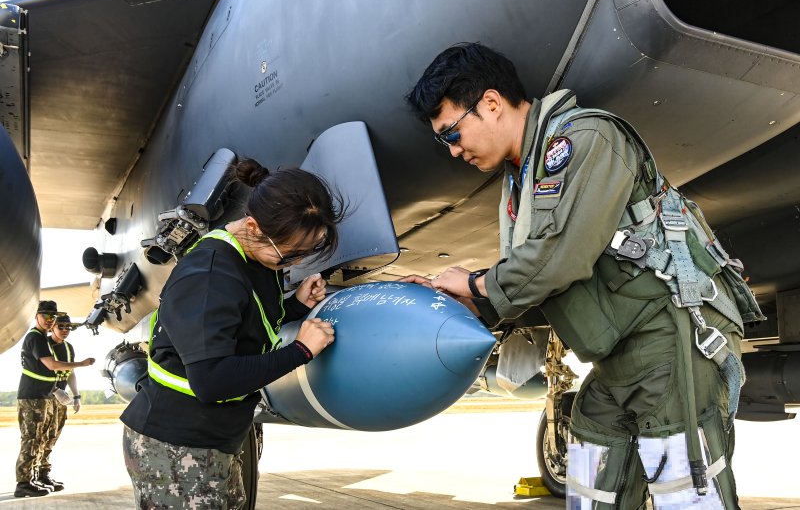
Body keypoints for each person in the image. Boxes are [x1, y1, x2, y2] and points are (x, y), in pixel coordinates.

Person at [404, 43, 763, 509]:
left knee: (685, 491)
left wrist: (475, 283)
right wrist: (443, 296)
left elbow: (560, 257)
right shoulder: (522, 179)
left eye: (451, 132)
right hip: (618, 357)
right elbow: (538, 274)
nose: (453, 150)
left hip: (669, 337)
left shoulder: (587, 139)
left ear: (490, 103)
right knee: (592, 474)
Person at [120, 158, 345, 509]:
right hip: (177, 446)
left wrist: (297, 306)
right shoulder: (209, 275)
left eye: (307, 252)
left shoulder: (253, 257)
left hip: (215, 440)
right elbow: (212, 381)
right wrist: (301, 350)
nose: (296, 263)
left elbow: (244, 322)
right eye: (290, 253)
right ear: (253, 226)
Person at [15, 301, 95, 498]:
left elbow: (66, 373)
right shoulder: (37, 338)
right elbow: (50, 365)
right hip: (34, 396)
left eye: (53, 317)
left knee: (44, 438)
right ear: (37, 316)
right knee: (31, 439)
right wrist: (82, 363)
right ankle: (24, 483)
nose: (50, 321)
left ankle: (37, 476)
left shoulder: (45, 339)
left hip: (44, 397)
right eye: (47, 317)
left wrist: (75, 395)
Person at [36, 314, 86, 492]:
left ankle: (44, 473)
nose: (65, 330)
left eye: (68, 327)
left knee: (53, 436)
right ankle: (34, 475)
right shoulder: (44, 346)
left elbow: (70, 371)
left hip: (61, 397)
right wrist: (56, 390)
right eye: (61, 326)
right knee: (41, 436)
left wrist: (77, 396)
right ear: (52, 327)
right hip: (46, 395)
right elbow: (42, 372)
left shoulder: (68, 347)